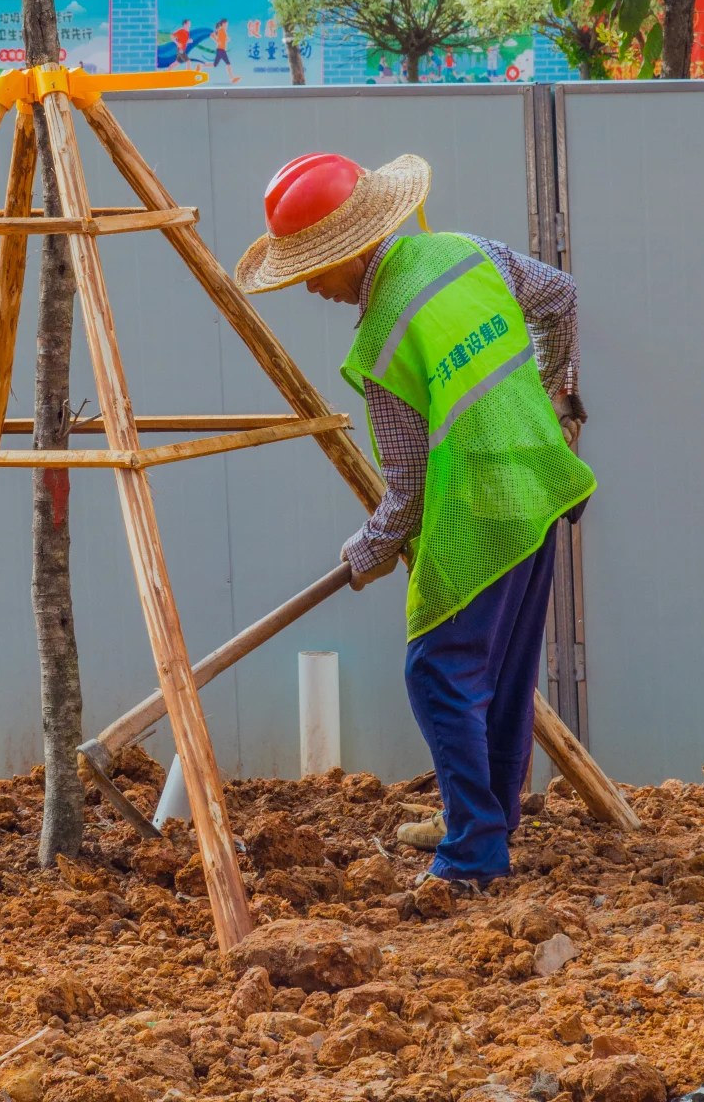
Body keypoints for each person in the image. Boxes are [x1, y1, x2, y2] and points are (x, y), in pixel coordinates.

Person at [235, 152, 594, 890]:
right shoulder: (468, 253)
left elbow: (407, 495)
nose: (311, 284)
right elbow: (560, 296)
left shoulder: (382, 344)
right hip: (540, 481)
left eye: (316, 267)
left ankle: (471, 856)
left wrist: (363, 554)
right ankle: (488, 816)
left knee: (438, 672)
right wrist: (559, 400)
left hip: (478, 513)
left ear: (358, 249)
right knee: (503, 669)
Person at [210, 19, 240, 83]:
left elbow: (221, 40)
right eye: (226, 24)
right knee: (228, 63)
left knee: (214, 64)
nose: (227, 25)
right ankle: (232, 79)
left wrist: (226, 40)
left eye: (227, 24)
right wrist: (215, 39)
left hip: (220, 49)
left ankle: (202, 65)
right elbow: (218, 40)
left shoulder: (223, 31)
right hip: (221, 50)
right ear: (223, 24)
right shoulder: (221, 30)